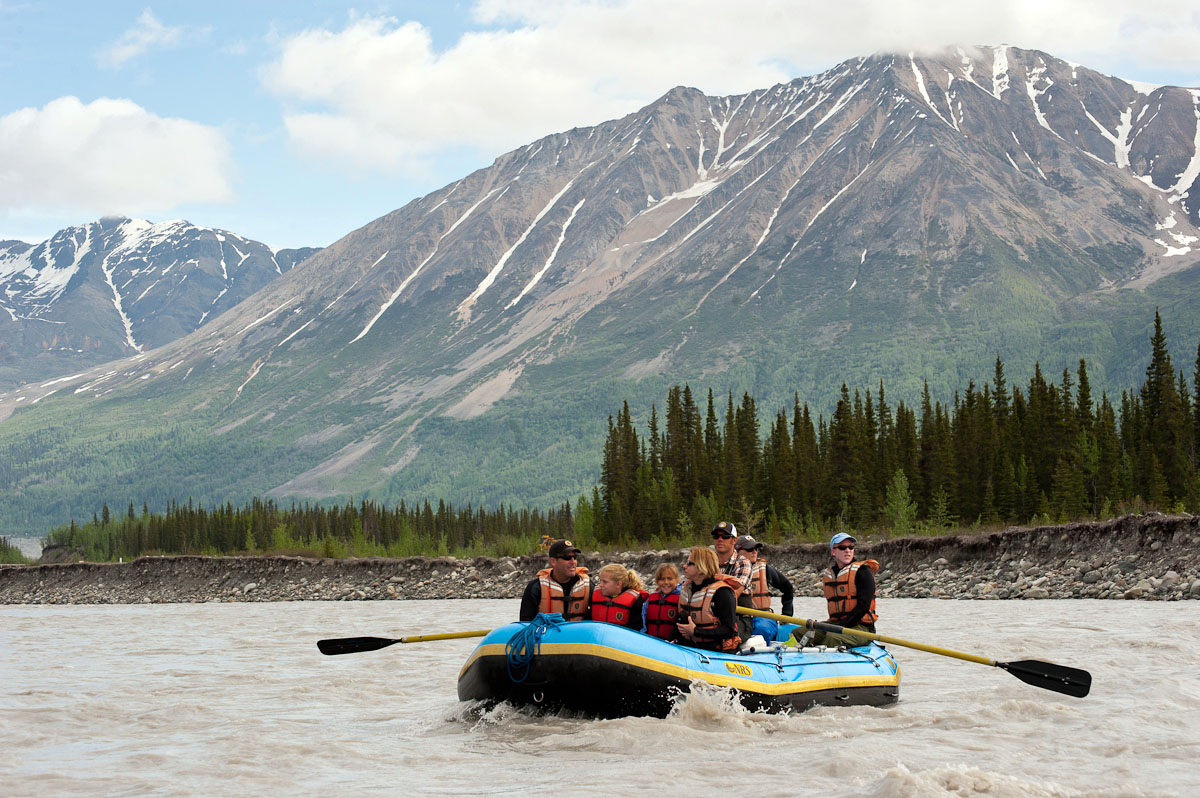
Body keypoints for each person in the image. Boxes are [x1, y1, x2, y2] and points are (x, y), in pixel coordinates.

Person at [792, 532, 879, 648]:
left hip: (861, 627)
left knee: (832, 639)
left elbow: (863, 607)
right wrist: (834, 626)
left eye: (851, 547)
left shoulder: (863, 572)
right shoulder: (831, 574)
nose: (848, 550)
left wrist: (839, 628)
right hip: (836, 623)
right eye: (842, 547)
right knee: (799, 633)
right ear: (833, 552)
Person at [676, 546, 742, 652]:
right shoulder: (688, 588)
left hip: (717, 651)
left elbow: (729, 630)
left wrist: (695, 631)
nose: (684, 566)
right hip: (693, 647)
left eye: (690, 563)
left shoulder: (722, 592)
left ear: (701, 569)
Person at [734, 534, 795, 642]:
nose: (754, 552)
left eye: (756, 549)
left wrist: (786, 614)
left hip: (763, 616)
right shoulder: (731, 568)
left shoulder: (765, 569)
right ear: (737, 551)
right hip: (740, 617)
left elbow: (788, 588)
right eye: (749, 549)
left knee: (761, 630)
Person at [519, 539, 590, 621]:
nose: (573, 562)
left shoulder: (587, 586)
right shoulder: (536, 588)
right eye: (567, 558)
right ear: (553, 561)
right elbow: (525, 623)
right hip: (548, 633)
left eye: (575, 557)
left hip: (578, 633)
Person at [710, 521, 755, 642]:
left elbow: (734, 593)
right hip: (711, 615)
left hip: (739, 618)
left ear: (734, 541)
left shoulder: (743, 563)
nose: (720, 539)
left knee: (724, 639)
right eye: (716, 536)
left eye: (725, 536)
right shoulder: (708, 562)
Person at [589, 563, 646, 629]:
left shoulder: (635, 600)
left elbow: (636, 628)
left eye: (605, 582)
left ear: (618, 584)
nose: (600, 585)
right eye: (600, 580)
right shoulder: (594, 594)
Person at [642, 563, 682, 641]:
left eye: (670, 579)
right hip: (651, 641)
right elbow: (643, 622)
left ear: (677, 580)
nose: (666, 582)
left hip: (673, 643)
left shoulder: (681, 599)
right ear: (657, 581)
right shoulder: (650, 599)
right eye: (662, 579)